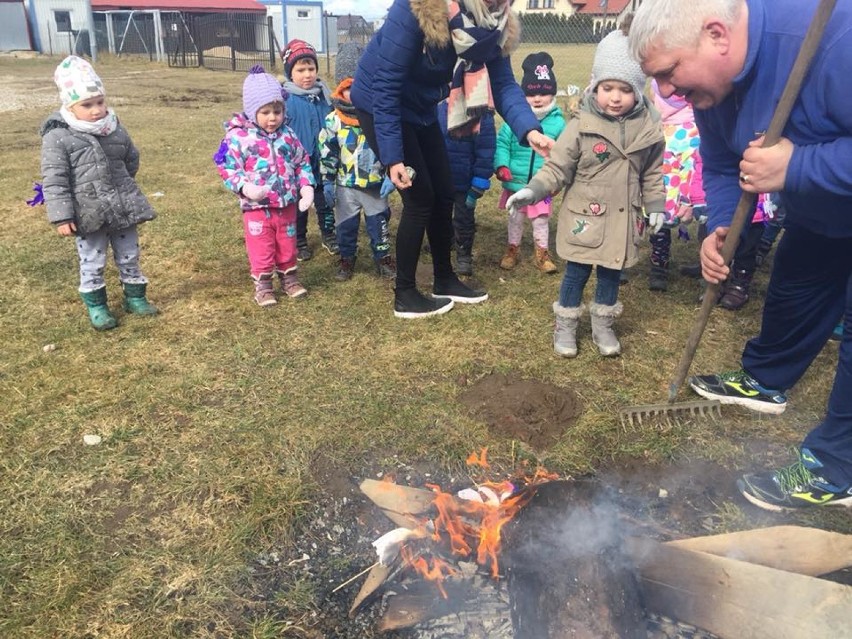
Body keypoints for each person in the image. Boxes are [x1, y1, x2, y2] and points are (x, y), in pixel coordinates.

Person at [631, 0, 852, 510]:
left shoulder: (834, 41)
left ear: (716, 35)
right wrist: (724, 225)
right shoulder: (713, 89)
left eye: (669, 73)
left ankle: (838, 467)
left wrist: (800, 166)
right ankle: (766, 378)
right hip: (819, 214)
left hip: (823, 185)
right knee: (796, 286)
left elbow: (790, 166)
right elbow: (724, 163)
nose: (665, 93)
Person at [350, 0, 554, 319]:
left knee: (444, 192)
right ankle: (404, 294)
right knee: (419, 198)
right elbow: (385, 84)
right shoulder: (419, 8)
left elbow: (502, 84)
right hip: (380, 104)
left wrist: (530, 130)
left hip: (422, 105)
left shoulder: (493, 23)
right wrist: (393, 157)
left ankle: (444, 279)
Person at [508, 23, 665, 358]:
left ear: (637, 90)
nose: (615, 96)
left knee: (611, 274)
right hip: (586, 219)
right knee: (576, 275)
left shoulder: (649, 129)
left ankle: (602, 325)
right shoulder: (581, 125)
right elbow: (557, 167)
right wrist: (532, 190)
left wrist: (656, 204)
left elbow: (652, 172)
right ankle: (565, 325)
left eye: (624, 89)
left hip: (623, 219)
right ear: (595, 86)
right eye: (608, 87)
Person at [39, 55, 158, 331]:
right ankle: (97, 305)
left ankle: (135, 297)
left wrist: (123, 187)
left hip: (121, 206)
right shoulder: (58, 137)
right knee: (92, 258)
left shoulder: (114, 128)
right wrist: (61, 216)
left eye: (100, 102)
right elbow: (55, 179)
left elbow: (131, 158)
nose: (96, 110)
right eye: (87, 105)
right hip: (88, 211)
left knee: (129, 253)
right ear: (70, 105)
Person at [215, 65, 315, 305]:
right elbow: (226, 166)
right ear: (252, 111)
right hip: (257, 207)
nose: (273, 118)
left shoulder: (287, 135)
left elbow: (302, 161)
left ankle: (290, 278)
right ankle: (264, 285)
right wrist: (244, 188)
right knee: (261, 246)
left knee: (287, 243)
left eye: (277, 111)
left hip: (286, 204)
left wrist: (306, 187)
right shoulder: (238, 137)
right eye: (266, 112)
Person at [319, 43, 396, 282]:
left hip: (374, 186)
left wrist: (390, 174)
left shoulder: (379, 118)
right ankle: (346, 259)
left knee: (379, 227)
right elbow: (328, 151)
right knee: (346, 227)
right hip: (346, 187)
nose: (355, 92)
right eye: (349, 87)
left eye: (361, 86)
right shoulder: (333, 121)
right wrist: (328, 180)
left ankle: (383, 259)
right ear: (340, 90)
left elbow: (393, 147)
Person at [494, 52, 565, 275]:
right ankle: (512, 249)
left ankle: (542, 253)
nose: (537, 98)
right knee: (515, 218)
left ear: (552, 93)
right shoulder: (513, 121)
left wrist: (556, 182)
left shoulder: (559, 123)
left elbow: (563, 154)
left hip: (541, 184)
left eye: (543, 93)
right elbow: (502, 144)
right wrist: (502, 166)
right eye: (532, 93)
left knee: (541, 220)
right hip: (515, 182)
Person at [281, 39, 338, 261]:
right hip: (298, 164)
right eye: (300, 70)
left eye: (311, 68)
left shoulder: (325, 96)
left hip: (324, 161)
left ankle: (329, 234)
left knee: (325, 201)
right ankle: (300, 239)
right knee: (299, 204)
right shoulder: (285, 100)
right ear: (290, 72)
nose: (307, 74)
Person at [648, 78, 704, 292]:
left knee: (699, 209)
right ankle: (659, 265)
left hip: (689, 155)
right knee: (659, 210)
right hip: (665, 160)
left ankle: (702, 263)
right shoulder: (658, 124)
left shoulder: (693, 126)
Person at [437, 98, 495, 277]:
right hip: (439, 178)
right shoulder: (436, 107)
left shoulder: (480, 112)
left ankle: (464, 255)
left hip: (465, 179)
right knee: (440, 214)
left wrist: (480, 180)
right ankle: (443, 243)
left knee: (464, 218)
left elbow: (486, 149)